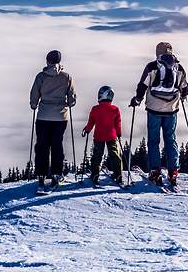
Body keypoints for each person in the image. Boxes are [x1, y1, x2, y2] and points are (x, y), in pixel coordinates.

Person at [129, 42, 188, 187]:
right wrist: (181, 94)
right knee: (170, 139)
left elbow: (142, 85)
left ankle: (155, 171)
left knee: (153, 141)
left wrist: (137, 99)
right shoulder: (179, 67)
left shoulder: (152, 66)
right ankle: (173, 171)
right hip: (172, 110)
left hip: (153, 109)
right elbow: (185, 89)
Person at [30, 50, 76, 190]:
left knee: (42, 146)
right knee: (57, 145)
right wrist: (68, 103)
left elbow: (34, 95)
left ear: (47, 61)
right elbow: (72, 98)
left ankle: (41, 175)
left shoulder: (41, 77)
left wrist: (34, 105)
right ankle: (57, 174)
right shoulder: (66, 77)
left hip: (43, 116)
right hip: (61, 117)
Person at [82, 86, 124, 186]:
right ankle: (118, 174)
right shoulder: (115, 109)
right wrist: (119, 133)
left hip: (99, 136)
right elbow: (117, 123)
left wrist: (87, 130)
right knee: (114, 154)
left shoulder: (95, 109)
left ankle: (95, 174)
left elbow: (91, 122)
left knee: (97, 155)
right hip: (111, 135)